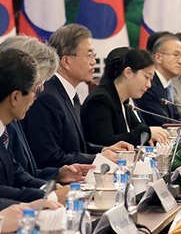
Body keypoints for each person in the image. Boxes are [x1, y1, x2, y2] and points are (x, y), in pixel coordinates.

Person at [21, 24, 132, 169]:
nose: (94, 62)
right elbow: (49, 157)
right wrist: (96, 158)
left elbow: (74, 147)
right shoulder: (47, 97)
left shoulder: (68, 94)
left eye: (94, 55)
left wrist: (103, 150)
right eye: (89, 55)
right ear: (66, 61)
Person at [0, 37, 93, 184]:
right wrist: (52, 192)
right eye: (37, 84)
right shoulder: (42, 101)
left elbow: (21, 172)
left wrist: (57, 175)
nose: (41, 89)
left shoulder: (11, 120)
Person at [82, 47, 169, 147]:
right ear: (128, 72)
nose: (149, 85)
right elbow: (104, 142)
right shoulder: (100, 100)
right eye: (146, 77)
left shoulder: (123, 99)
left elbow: (137, 126)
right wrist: (146, 132)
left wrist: (148, 132)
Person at [135, 34, 181, 126]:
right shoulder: (148, 85)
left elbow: (176, 117)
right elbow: (162, 123)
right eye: (176, 55)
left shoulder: (167, 85)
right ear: (158, 57)